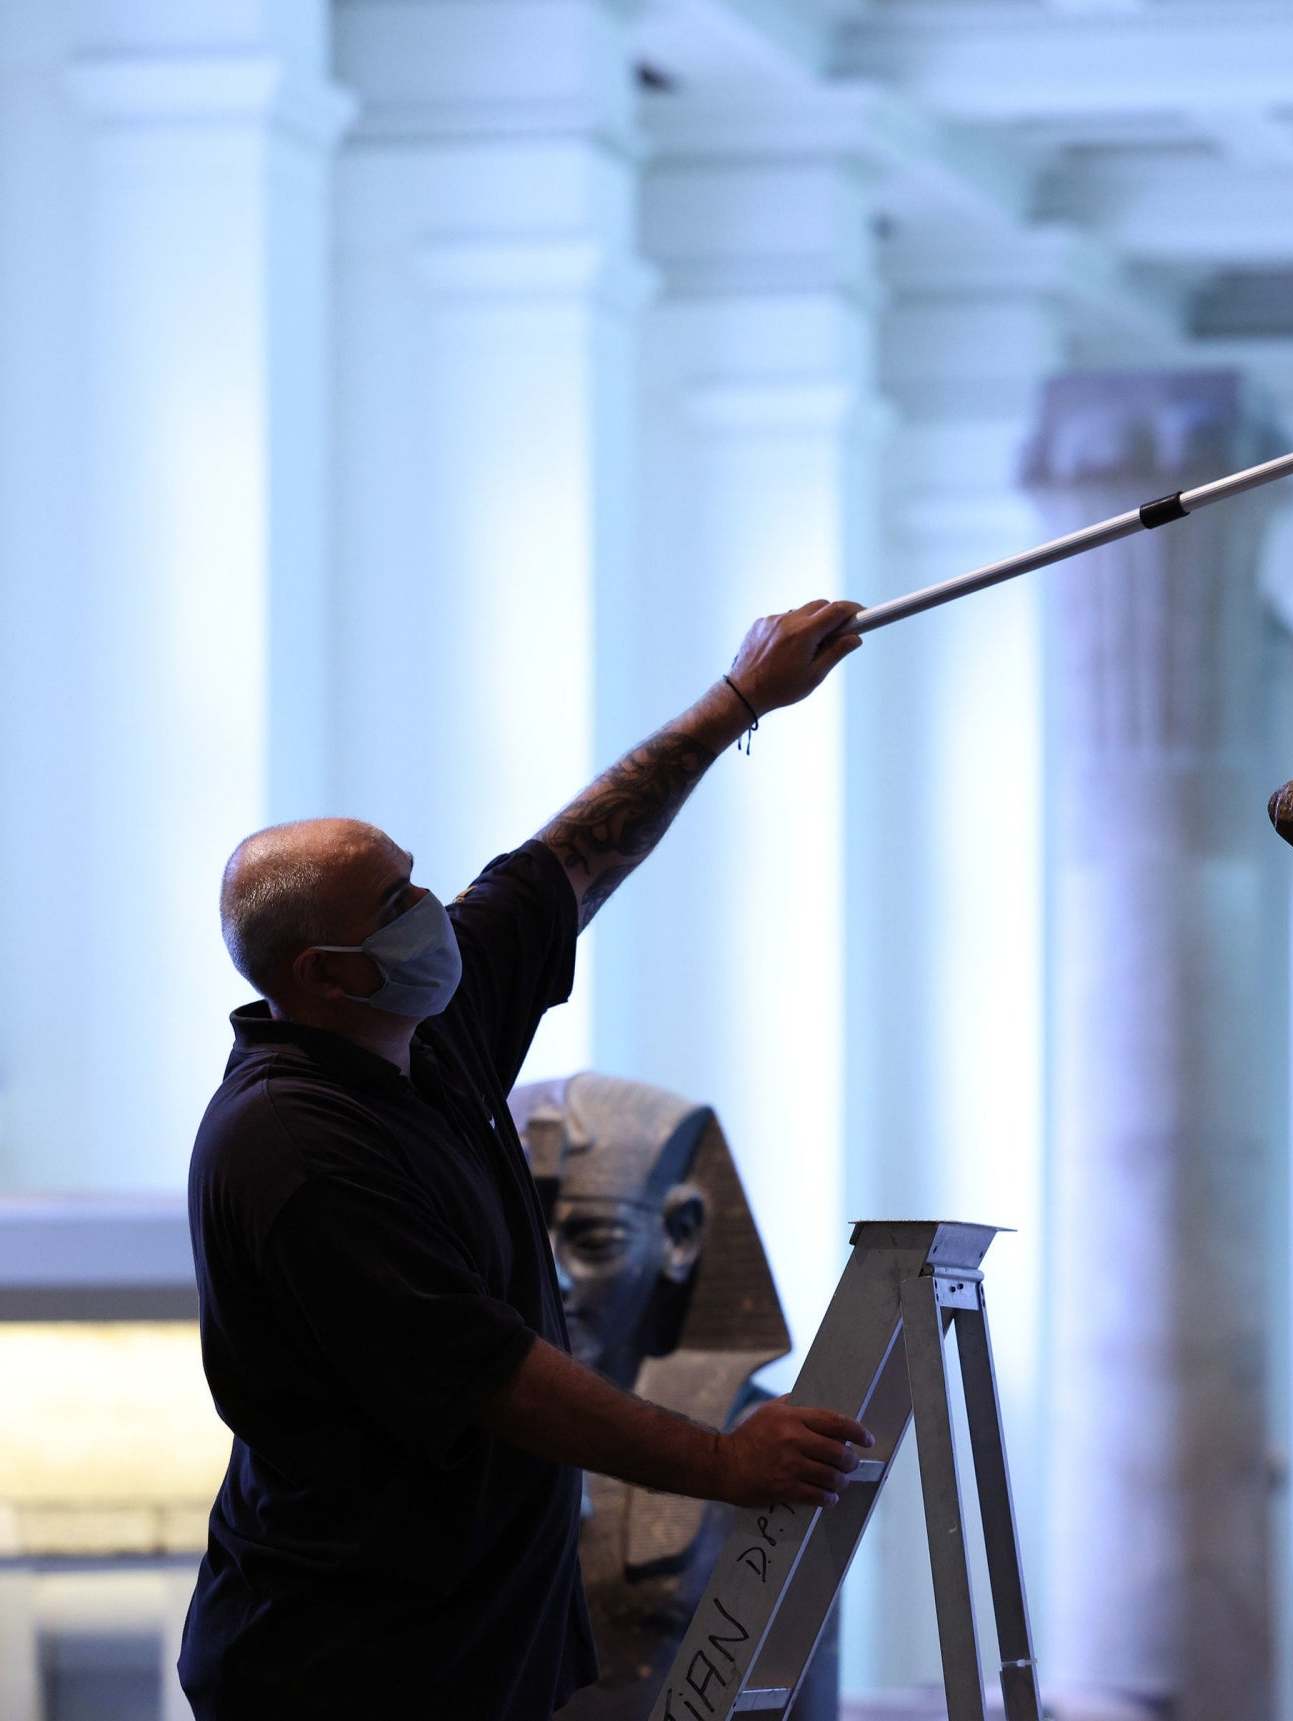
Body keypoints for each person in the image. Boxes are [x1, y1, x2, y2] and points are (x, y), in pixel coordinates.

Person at [180, 600, 873, 1719]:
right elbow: (496, 1378)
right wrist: (722, 1462)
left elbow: (571, 862)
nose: (434, 915)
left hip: (477, 1644)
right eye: (398, 904)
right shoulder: (291, 1146)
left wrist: (738, 699)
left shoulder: (419, 1034)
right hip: (344, 1668)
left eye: (417, 880)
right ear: (322, 972)